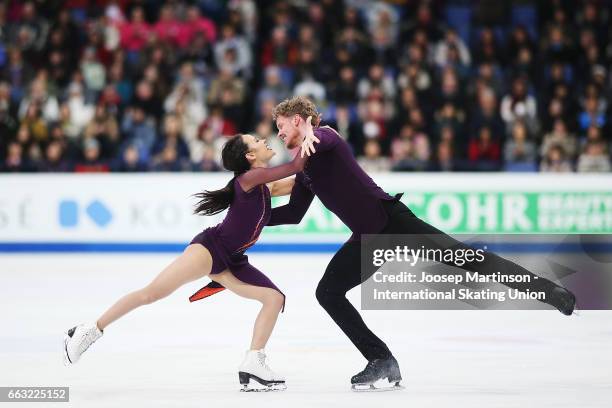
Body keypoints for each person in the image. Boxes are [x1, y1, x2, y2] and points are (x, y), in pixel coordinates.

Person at [270, 96, 576, 391]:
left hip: (393, 222)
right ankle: (381, 359)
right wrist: (254, 217)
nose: (279, 134)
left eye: (282, 126)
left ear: (298, 120)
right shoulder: (305, 167)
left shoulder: (324, 136)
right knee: (328, 292)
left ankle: (550, 292)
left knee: (468, 259)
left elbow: (327, 139)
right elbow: (294, 213)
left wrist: (311, 131)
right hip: (367, 239)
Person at [63, 123, 319, 392]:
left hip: (232, 260)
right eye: (256, 140)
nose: (264, 139)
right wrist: (310, 138)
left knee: (274, 298)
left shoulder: (263, 185)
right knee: (151, 293)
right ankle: (88, 330)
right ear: (250, 157)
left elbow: (296, 183)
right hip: (209, 250)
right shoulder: (249, 179)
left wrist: (325, 174)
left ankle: (253, 361)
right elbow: (294, 169)